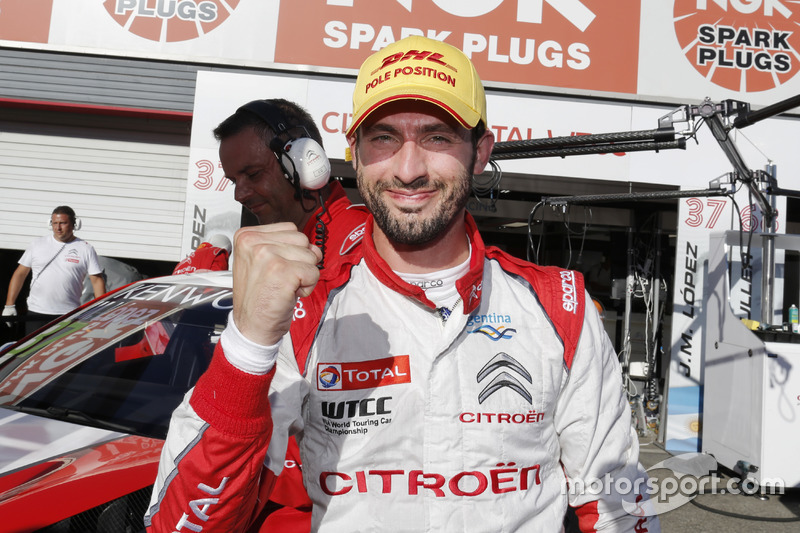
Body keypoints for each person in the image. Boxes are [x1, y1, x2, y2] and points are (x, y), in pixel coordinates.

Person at [145, 36, 659, 533]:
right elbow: (183, 524)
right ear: (356, 152)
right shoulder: (303, 312)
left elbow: (617, 508)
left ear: (480, 152)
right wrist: (246, 346)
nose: (409, 170)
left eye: (437, 136)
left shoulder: (558, 307)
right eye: (384, 138)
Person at [211, 98, 369, 530]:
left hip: (332, 503)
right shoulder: (273, 247)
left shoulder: (366, 245)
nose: (241, 193)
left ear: (305, 163)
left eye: (253, 174)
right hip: (274, 494)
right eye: (233, 180)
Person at [4, 206, 106, 336]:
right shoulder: (37, 244)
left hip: (68, 315)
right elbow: (20, 274)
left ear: (75, 224)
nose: (58, 228)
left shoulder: (86, 249)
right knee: (35, 355)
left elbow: (97, 281)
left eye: (63, 223)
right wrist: (9, 305)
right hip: (36, 313)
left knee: (63, 355)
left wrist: (102, 310)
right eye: (55, 223)